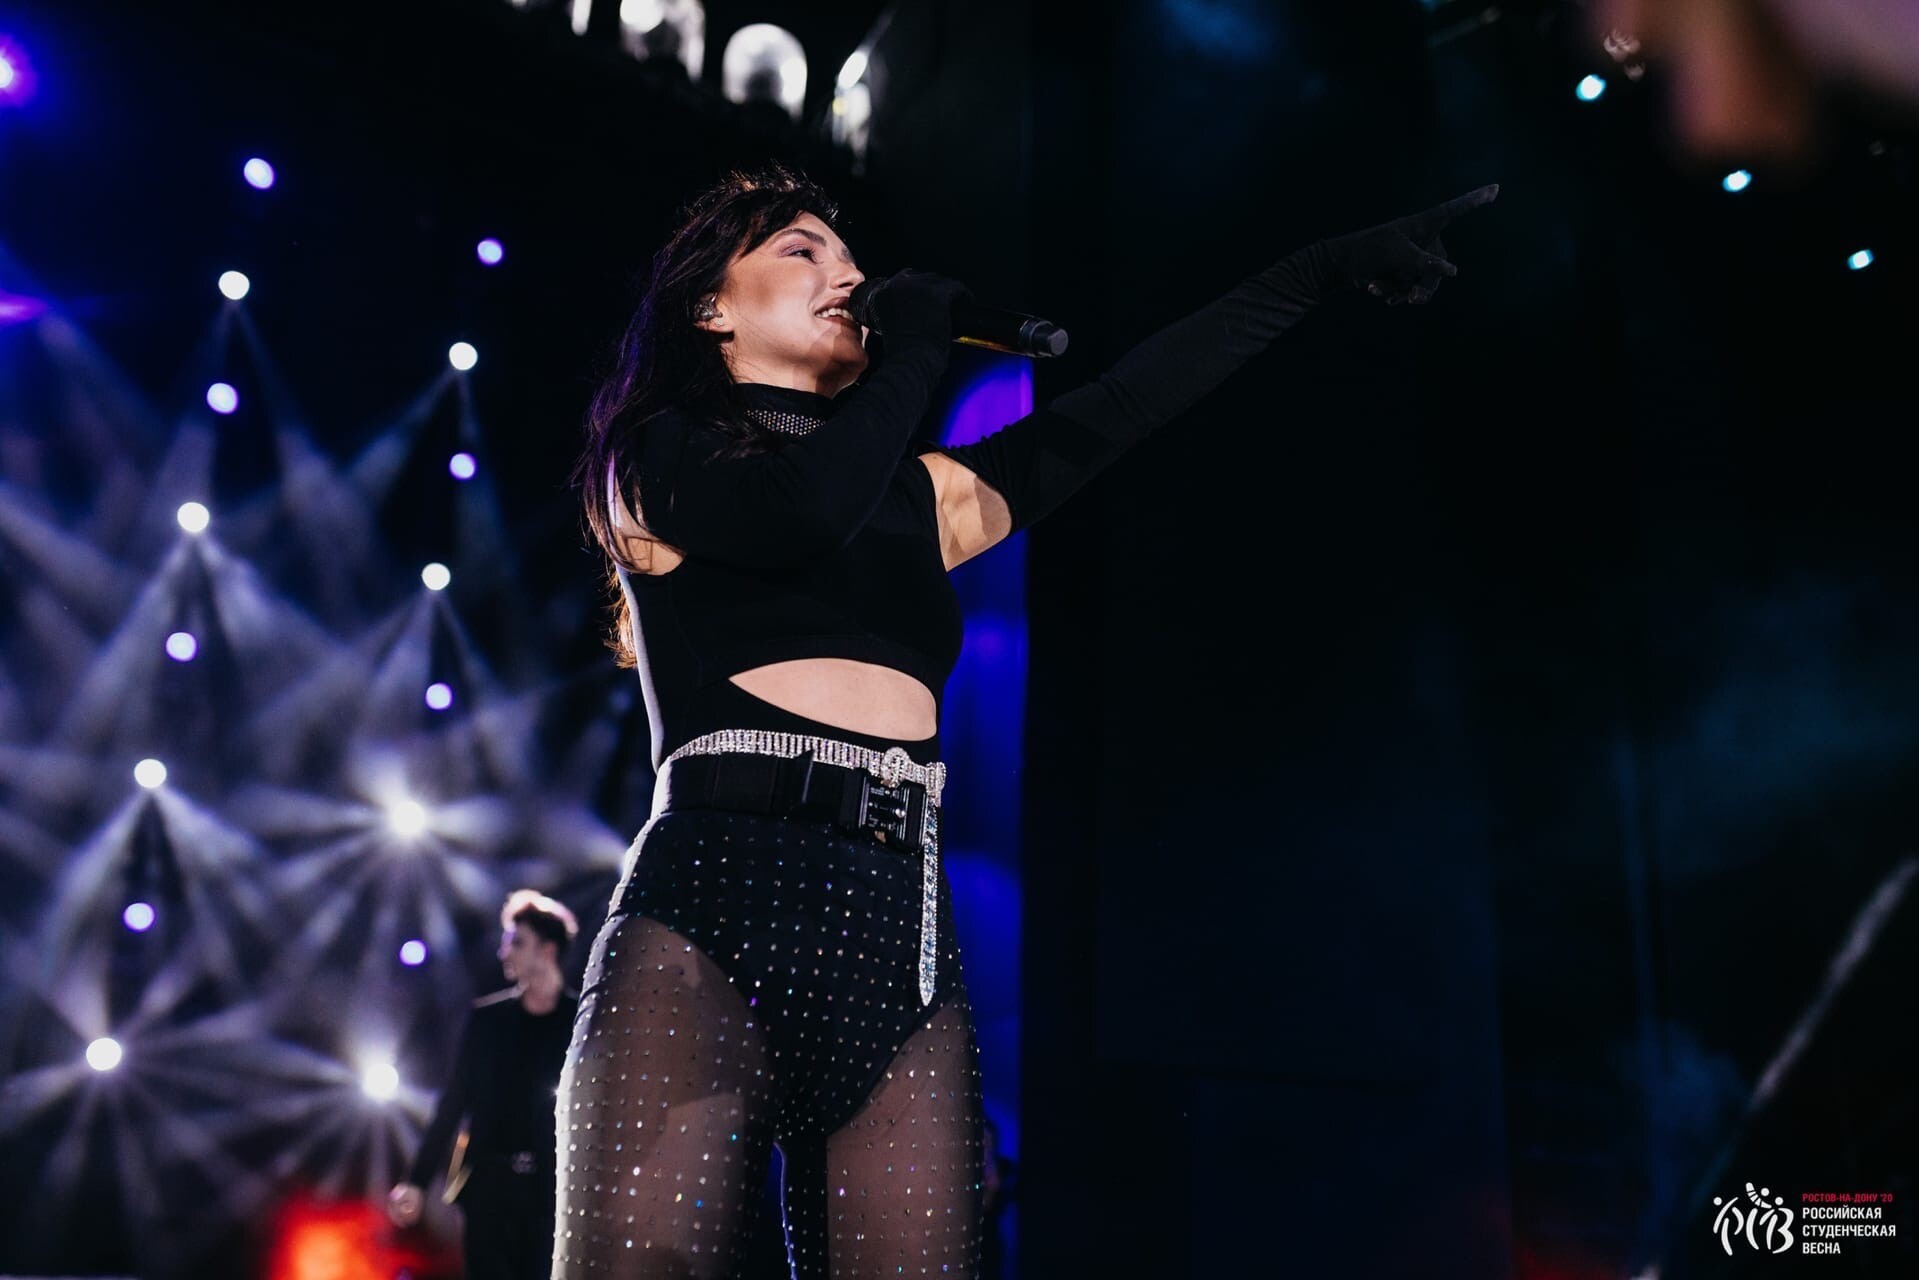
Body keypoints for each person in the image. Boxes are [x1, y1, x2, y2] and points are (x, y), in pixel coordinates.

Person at [558, 163, 1497, 1279]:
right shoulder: (652, 455)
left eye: (852, 258)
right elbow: (796, 514)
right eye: (802, 251)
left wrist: (1311, 271)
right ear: (711, 306)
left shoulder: (917, 499)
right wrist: (915, 349)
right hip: (708, 919)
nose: (847, 275)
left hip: (896, 938)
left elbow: (1125, 405)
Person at [388, 889, 581, 1280]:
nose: (503, 952)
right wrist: (417, 1182)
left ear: (547, 951)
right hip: (488, 1191)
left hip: (551, 1195)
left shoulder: (579, 1022)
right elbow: (453, 1104)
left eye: (516, 942)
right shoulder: (488, 1021)